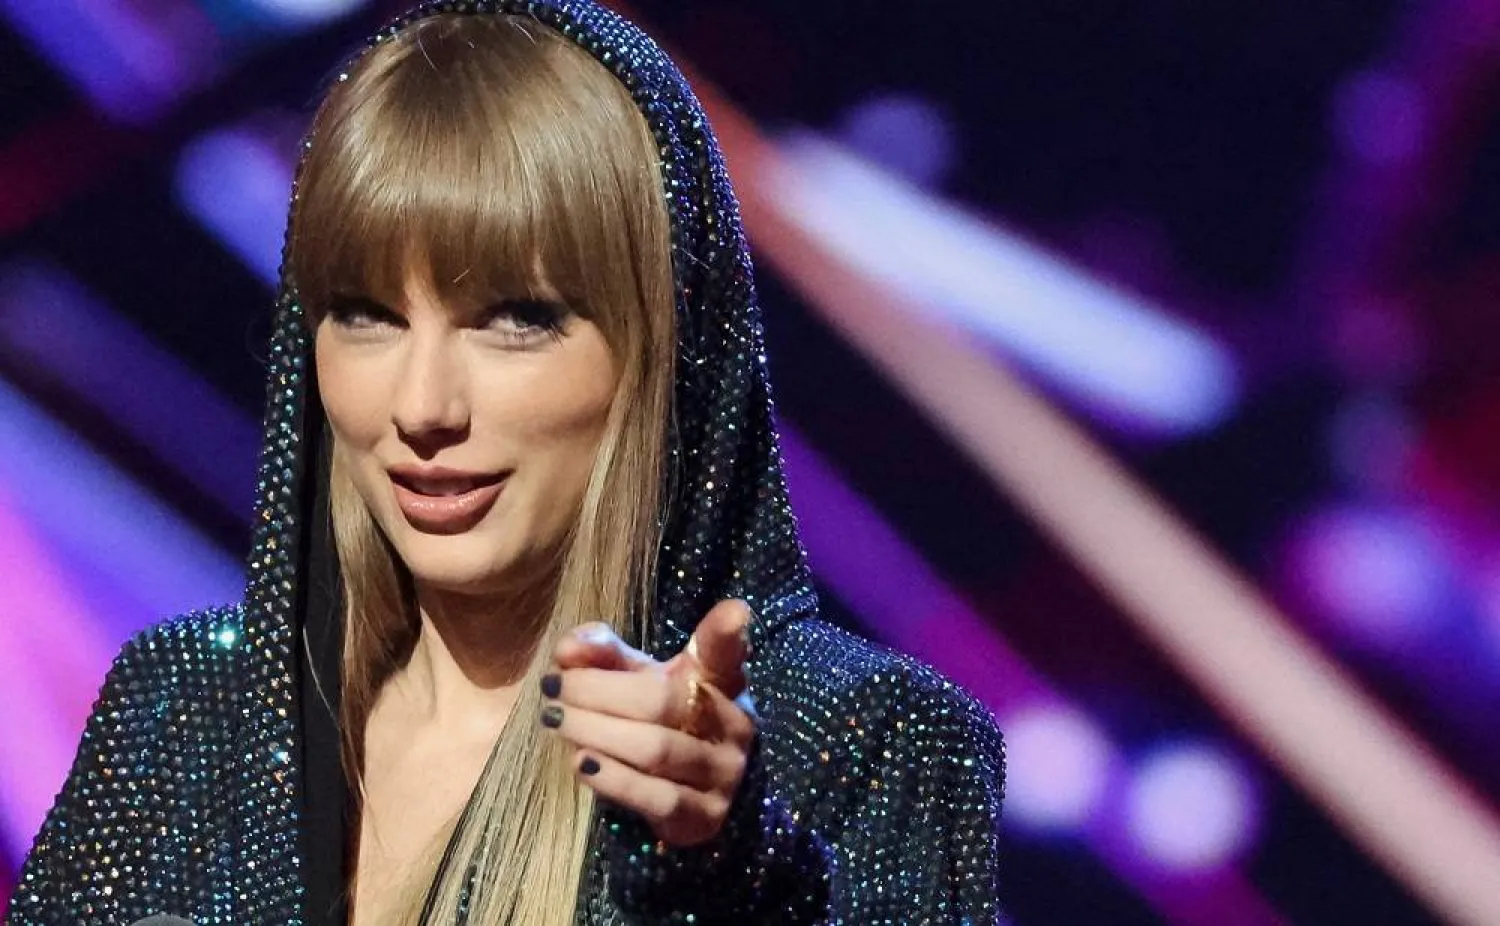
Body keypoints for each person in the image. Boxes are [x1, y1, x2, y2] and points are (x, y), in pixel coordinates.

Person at [8, 2, 1005, 923]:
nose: (425, 406)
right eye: (367, 318)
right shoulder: (174, 700)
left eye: (517, 321)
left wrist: (718, 852)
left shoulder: (878, 735)